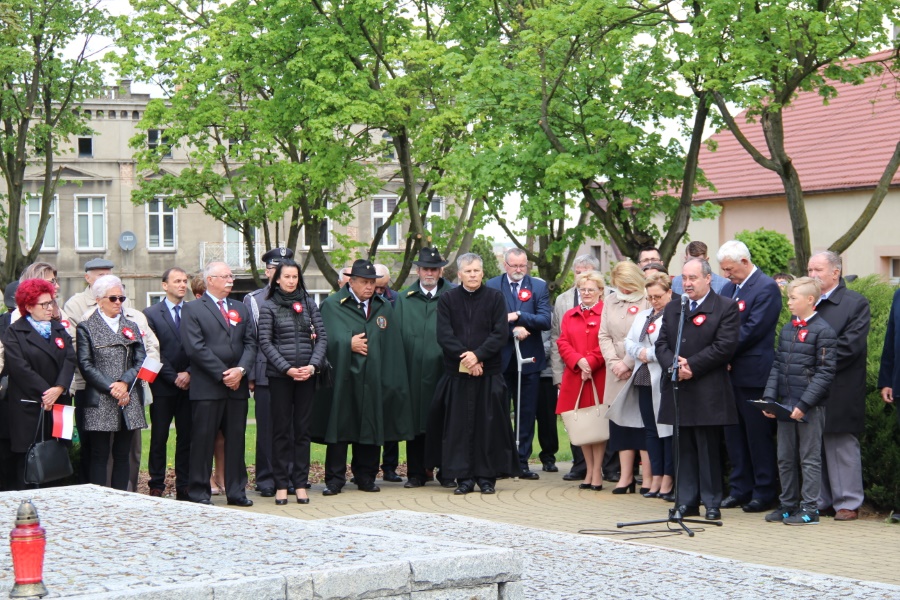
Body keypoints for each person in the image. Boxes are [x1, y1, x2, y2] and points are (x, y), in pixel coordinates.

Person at [311, 259, 413, 495]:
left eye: (372, 283)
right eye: (364, 282)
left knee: (370, 425)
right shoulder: (333, 305)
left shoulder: (383, 306)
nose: (369, 287)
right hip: (342, 380)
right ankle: (335, 479)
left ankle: (365, 476)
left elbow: (392, 344)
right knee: (339, 427)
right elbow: (323, 340)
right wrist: (347, 342)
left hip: (373, 378)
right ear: (352, 282)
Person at [425, 253, 519, 494]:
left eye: (477, 270)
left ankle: (487, 478)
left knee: (488, 427)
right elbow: (444, 335)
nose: (473, 275)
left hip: (488, 374)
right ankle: (463, 478)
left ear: (482, 272)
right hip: (458, 375)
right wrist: (468, 359)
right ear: (459, 274)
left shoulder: (495, 298)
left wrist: (478, 356)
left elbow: (499, 334)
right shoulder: (447, 299)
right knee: (459, 428)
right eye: (468, 271)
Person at [656, 258, 740, 520]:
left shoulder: (725, 307)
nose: (687, 283)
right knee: (683, 448)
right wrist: (674, 365)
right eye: (684, 278)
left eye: (693, 278)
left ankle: (712, 501)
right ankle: (686, 501)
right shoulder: (673, 308)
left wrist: (691, 365)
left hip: (708, 388)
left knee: (707, 447)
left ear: (708, 279)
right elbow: (661, 344)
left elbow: (724, 346)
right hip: (679, 388)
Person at [181, 261, 257, 507]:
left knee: (236, 439)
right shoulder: (193, 309)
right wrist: (225, 374)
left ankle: (236, 491)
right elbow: (195, 347)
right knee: (203, 440)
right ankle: (199, 491)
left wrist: (241, 370)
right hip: (208, 387)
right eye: (225, 276)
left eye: (231, 276)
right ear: (210, 280)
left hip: (238, 387)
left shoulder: (240, 307)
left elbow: (251, 343)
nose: (230, 280)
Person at [762, 276, 836, 525]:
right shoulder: (787, 328)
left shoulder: (824, 331)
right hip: (785, 404)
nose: (789, 303)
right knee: (784, 457)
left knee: (809, 458)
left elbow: (825, 373)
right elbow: (778, 365)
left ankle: (810, 510)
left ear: (810, 300)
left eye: (793, 298)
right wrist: (770, 399)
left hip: (809, 408)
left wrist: (803, 405)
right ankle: (787, 505)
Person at [717, 240, 783, 513]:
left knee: (757, 436)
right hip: (730, 373)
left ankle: (764, 491)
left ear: (745, 261)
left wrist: (722, 353)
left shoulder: (765, 287)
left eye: (730, 269)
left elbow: (753, 330)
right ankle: (740, 488)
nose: (726, 275)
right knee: (735, 435)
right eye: (723, 270)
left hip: (753, 373)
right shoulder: (732, 288)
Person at [257, 259, 327, 505]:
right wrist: (287, 369)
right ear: (277, 279)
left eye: (295, 277)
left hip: (306, 376)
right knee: (281, 432)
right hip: (281, 378)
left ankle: (300, 483)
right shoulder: (269, 307)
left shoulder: (309, 303)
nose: (291, 281)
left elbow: (321, 338)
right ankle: (281, 484)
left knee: (302, 431)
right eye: (286, 277)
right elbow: (265, 342)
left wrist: (312, 365)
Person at [808, 251, 870, 521]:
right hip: (811, 386)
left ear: (836, 272)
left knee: (840, 443)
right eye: (809, 270)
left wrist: (812, 362)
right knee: (815, 444)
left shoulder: (855, 303)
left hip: (840, 385)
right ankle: (821, 499)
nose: (812, 275)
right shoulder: (807, 303)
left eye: (817, 270)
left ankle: (847, 501)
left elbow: (849, 346)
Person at [75, 275, 147, 490]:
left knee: (122, 453)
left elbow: (141, 359)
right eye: (113, 298)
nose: (118, 303)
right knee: (99, 453)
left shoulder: (131, 326)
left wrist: (124, 383)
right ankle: (99, 499)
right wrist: (111, 386)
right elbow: (85, 365)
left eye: (121, 298)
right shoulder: (86, 327)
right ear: (99, 300)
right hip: (101, 397)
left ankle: (121, 496)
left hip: (128, 395)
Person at [3, 279, 76, 489]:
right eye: (44, 304)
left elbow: (70, 359)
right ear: (28, 307)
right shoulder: (15, 332)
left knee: (56, 457)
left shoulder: (58, 328)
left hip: (58, 403)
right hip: (31, 405)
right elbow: (19, 367)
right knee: (30, 461)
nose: (50, 308)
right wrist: (46, 391)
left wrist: (59, 388)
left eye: (51, 302)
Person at [486, 248, 551, 479]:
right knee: (499, 412)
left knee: (526, 412)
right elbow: (489, 321)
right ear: (505, 265)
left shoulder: (538, 287)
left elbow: (545, 320)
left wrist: (519, 317)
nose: (518, 270)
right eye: (514, 266)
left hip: (529, 361)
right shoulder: (492, 285)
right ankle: (501, 461)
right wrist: (512, 328)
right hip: (500, 361)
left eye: (522, 265)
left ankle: (522, 460)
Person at [610, 273, 675, 500]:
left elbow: (672, 345)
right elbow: (630, 340)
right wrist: (640, 352)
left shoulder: (674, 315)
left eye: (658, 296)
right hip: (643, 375)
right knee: (650, 430)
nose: (654, 301)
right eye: (650, 297)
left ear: (669, 293)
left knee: (666, 430)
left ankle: (668, 477)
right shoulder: (644, 314)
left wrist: (651, 353)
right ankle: (655, 476)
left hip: (663, 377)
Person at [394, 248, 455, 488]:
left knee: (446, 422)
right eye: (425, 268)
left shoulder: (453, 296)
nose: (429, 272)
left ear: (441, 271)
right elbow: (396, 337)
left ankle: (446, 472)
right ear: (417, 270)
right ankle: (416, 473)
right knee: (416, 423)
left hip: (445, 371)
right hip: (413, 373)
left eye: (434, 268)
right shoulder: (403, 299)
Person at [244, 247, 295, 498]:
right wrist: (251, 375)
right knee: (266, 429)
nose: (281, 274)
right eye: (276, 270)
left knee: (291, 429)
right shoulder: (254, 300)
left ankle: (289, 477)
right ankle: (265, 478)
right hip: (266, 374)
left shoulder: (300, 298)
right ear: (268, 272)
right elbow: (250, 339)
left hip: (295, 374)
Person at [64, 258, 120, 484]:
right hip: (88, 385)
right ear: (87, 278)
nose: (105, 279)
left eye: (108, 274)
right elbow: (76, 346)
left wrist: (122, 380)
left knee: (121, 449)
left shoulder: (119, 301)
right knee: (92, 447)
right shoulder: (76, 305)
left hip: (122, 388)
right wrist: (105, 378)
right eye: (99, 274)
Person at [600, 261, 651, 494]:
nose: (625, 290)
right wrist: (614, 363)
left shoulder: (648, 299)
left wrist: (627, 363)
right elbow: (604, 335)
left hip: (640, 367)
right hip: (615, 372)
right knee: (620, 425)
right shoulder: (610, 300)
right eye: (621, 286)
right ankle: (625, 477)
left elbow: (646, 336)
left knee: (642, 423)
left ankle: (648, 477)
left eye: (628, 285)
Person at [143, 267, 192, 500]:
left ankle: (184, 484)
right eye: (177, 281)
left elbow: (202, 345)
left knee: (186, 437)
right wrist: (173, 376)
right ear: (165, 285)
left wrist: (189, 373)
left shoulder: (194, 311)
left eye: (185, 281)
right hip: (163, 386)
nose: (182, 285)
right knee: (159, 436)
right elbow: (153, 351)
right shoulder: (151, 313)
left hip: (191, 385)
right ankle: (157, 483)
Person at [550, 254, 601, 480]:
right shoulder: (570, 315)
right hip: (575, 376)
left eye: (591, 289)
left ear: (600, 290)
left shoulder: (606, 313)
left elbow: (608, 342)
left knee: (598, 428)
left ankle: (597, 472)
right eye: (583, 290)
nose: (586, 293)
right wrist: (577, 360)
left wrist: (590, 361)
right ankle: (587, 470)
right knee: (581, 427)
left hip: (598, 377)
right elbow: (561, 341)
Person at [190, 272, 227, 495]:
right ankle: (204, 480)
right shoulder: (193, 311)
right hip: (199, 380)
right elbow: (193, 346)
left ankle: (221, 476)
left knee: (222, 436)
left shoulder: (231, 308)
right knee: (203, 435)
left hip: (226, 380)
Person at [373, 262, 401, 483]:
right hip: (370, 367)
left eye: (383, 287)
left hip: (390, 366)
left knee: (391, 420)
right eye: (376, 286)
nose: (379, 291)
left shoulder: (398, 301)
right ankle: (367, 469)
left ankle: (390, 467)